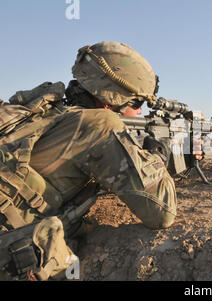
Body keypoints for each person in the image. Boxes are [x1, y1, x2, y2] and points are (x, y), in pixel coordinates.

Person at [0, 41, 177, 280]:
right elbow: (161, 212)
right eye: (137, 103)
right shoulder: (100, 124)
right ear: (111, 99)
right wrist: (157, 156)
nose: (139, 112)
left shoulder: (46, 110)